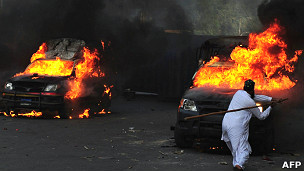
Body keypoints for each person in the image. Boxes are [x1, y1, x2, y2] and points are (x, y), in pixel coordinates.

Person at [221, 79, 274, 170]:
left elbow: (255, 97)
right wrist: (270, 107)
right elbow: (261, 116)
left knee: (235, 149)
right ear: (252, 89)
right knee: (244, 149)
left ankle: (236, 164)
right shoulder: (250, 102)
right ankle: (239, 165)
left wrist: (270, 99)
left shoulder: (238, 93)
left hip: (226, 123)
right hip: (236, 127)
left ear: (244, 88)